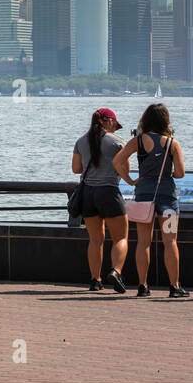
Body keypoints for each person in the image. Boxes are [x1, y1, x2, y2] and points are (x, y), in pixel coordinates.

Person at [112, 103, 187, 298]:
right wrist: (167, 172)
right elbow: (180, 173)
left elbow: (117, 162)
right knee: (170, 241)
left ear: (145, 120)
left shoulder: (137, 141)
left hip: (144, 196)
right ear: (165, 120)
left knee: (143, 241)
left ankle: (143, 286)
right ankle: (174, 286)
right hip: (168, 199)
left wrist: (130, 180)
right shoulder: (172, 143)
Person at [72, 108, 128, 292]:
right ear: (107, 121)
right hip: (109, 192)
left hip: (87, 193)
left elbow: (76, 169)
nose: (115, 128)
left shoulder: (81, 141)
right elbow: (125, 170)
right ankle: (115, 271)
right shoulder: (118, 142)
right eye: (114, 124)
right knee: (120, 236)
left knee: (95, 239)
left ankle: (95, 280)